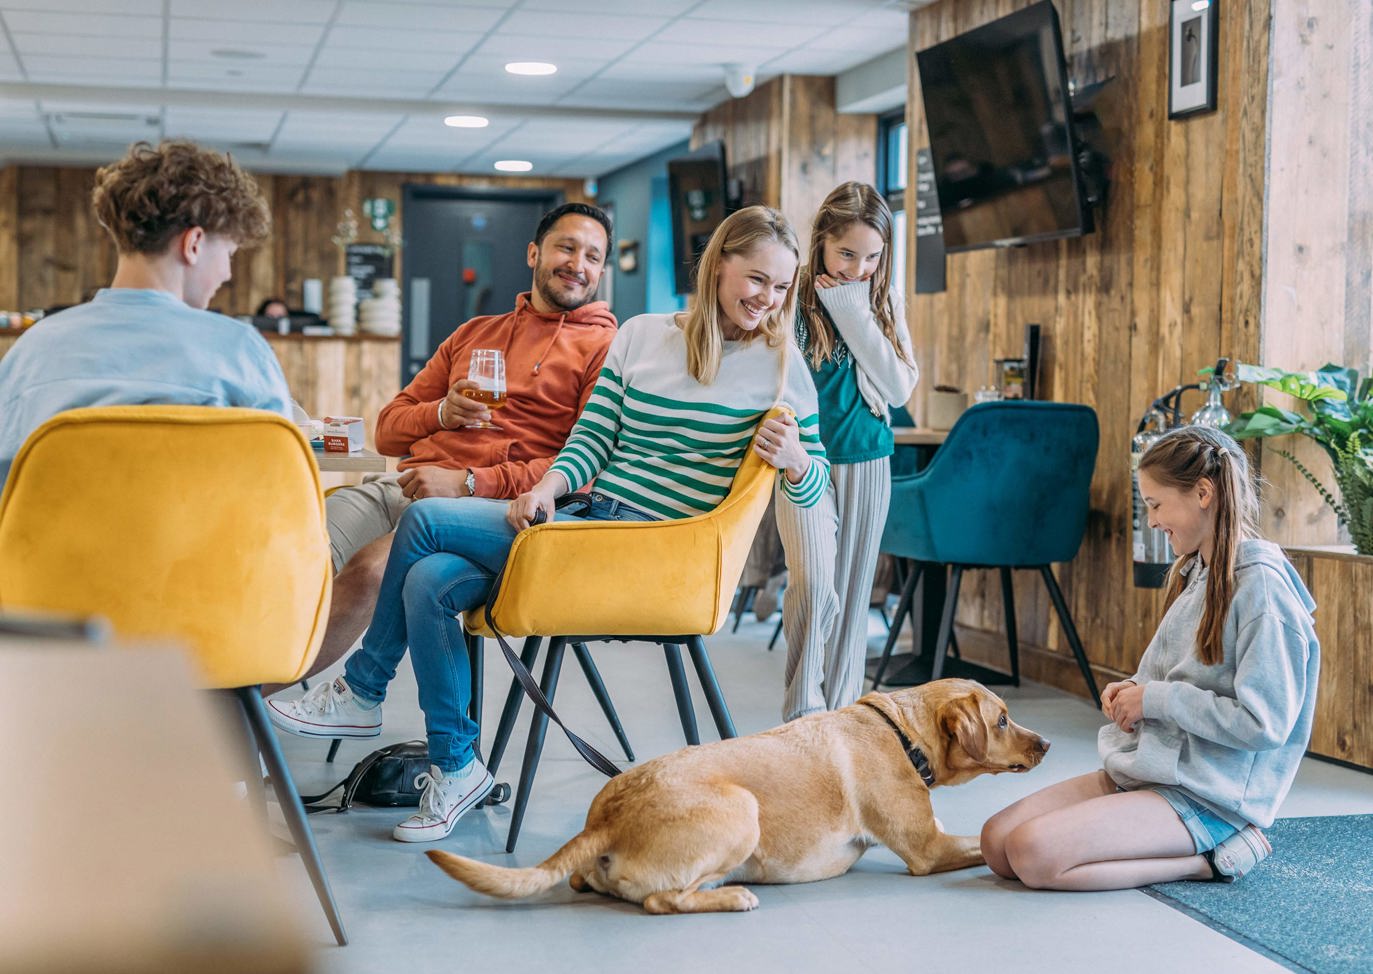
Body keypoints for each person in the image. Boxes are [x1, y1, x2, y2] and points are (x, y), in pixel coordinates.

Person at [269, 206, 829, 842]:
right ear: (718, 266)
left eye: (781, 287)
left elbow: (816, 488)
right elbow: (591, 440)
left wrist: (797, 463)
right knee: (426, 580)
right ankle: (456, 768)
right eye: (757, 278)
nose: (767, 298)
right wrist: (548, 488)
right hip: (585, 520)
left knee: (423, 521)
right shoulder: (644, 336)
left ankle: (363, 690)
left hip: (650, 551)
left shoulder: (784, 371)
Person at [278, 203, 618, 689]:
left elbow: (581, 466)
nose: (577, 264)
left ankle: (236, 712)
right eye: (566, 247)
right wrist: (442, 413)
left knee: (370, 571)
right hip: (402, 488)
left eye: (592, 256)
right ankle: (233, 678)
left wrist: (468, 482)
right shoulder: (475, 334)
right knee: (294, 553)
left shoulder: (605, 350)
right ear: (533, 253)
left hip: (484, 511)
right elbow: (389, 431)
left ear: (601, 270)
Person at [980, 426, 1320, 890]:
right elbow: (1163, 679)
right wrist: (1130, 694)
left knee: (1033, 855)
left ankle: (1212, 859)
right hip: (1150, 769)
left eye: (1156, 505)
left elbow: (1264, 724)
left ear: (1203, 493)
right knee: (997, 843)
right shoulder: (1194, 573)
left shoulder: (1262, 589)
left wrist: (1155, 700)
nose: (1153, 520)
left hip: (1207, 795)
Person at [0, 139, 288, 487]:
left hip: (47, 542)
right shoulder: (242, 351)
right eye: (228, 253)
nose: (227, 274)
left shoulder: (31, 351)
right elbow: (278, 491)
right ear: (193, 244)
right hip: (204, 542)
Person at [778, 182, 918, 722]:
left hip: (866, 456)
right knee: (814, 589)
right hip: (802, 460)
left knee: (854, 596)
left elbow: (900, 388)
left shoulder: (880, 298)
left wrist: (852, 305)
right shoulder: (790, 293)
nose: (860, 267)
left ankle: (838, 723)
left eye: (874, 256)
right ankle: (801, 718)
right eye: (847, 254)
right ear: (821, 243)